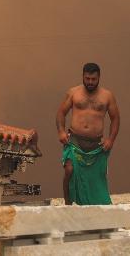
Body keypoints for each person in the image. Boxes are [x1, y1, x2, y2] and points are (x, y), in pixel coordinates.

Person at [55, 63, 120, 205]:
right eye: (87, 78)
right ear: (83, 76)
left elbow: (115, 118)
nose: (90, 82)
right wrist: (61, 131)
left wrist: (110, 140)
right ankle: (68, 203)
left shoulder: (107, 96)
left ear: (99, 78)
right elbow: (61, 113)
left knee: (97, 177)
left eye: (93, 79)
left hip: (96, 144)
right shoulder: (73, 93)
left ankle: (93, 205)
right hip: (75, 141)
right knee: (69, 170)